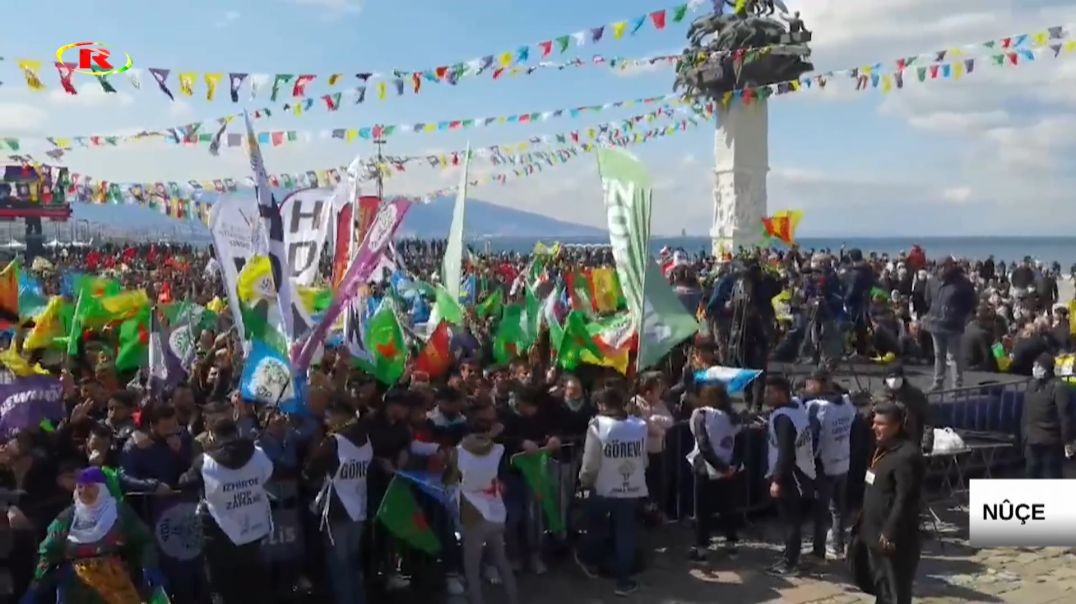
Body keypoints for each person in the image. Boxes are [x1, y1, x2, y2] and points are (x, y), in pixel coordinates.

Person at [21, 467, 164, 604]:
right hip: (75, 585)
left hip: (115, 581)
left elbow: (143, 541)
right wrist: (37, 583)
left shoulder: (119, 514)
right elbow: (49, 550)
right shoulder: (68, 517)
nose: (84, 491)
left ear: (101, 489)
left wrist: (150, 567)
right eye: (80, 487)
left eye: (90, 487)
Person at [180, 417, 274, 604]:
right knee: (254, 588)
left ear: (213, 436)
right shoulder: (258, 453)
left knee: (224, 588)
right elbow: (267, 474)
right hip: (254, 530)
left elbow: (184, 482)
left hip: (220, 535)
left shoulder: (204, 462)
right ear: (236, 432)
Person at [575, 387, 647, 596]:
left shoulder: (597, 426)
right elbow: (643, 459)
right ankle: (623, 582)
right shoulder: (638, 425)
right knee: (625, 533)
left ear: (602, 405)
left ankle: (589, 559)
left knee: (594, 523)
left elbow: (590, 463)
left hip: (604, 487)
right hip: (631, 486)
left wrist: (584, 481)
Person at [445, 404, 519, 604]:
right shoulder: (498, 449)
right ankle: (513, 599)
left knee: (472, 568)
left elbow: (450, 479)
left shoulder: (458, 452)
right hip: (495, 510)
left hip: (473, 514)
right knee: (501, 561)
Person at [304, 403, 373, 604]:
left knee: (339, 565)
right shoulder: (366, 438)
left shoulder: (334, 442)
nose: (326, 421)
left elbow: (311, 470)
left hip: (338, 508)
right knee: (353, 562)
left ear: (341, 416)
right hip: (359, 506)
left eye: (328, 417)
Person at [860, 403, 925, 604]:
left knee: (896, 591)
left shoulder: (906, 455)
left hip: (893, 539)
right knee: (882, 587)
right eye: (874, 422)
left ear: (897, 426)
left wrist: (890, 532)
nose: (874, 427)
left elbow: (905, 498)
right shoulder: (882, 448)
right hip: (873, 532)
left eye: (881, 424)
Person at [763, 376, 815, 576]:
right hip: (803, 471)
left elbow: (785, 452)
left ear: (780, 393)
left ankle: (789, 563)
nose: (765, 396)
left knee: (790, 521)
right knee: (792, 519)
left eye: (769, 392)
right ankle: (790, 556)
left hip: (790, 474)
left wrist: (776, 480)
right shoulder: (797, 408)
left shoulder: (783, 418)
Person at [685, 384, 743, 562]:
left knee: (702, 510)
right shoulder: (733, 417)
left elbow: (703, 445)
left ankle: (702, 549)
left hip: (706, 468)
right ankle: (732, 545)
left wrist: (719, 467)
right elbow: (738, 443)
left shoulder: (701, 414)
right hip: (729, 468)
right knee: (728, 508)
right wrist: (730, 467)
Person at [804, 369, 855, 560]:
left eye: (809, 382)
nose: (807, 386)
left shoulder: (817, 407)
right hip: (844, 461)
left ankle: (819, 551)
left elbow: (813, 439)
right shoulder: (847, 403)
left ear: (819, 383)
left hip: (824, 465)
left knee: (821, 510)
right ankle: (838, 546)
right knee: (838, 509)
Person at [923, 258, 977, 391]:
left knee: (953, 357)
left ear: (951, 266)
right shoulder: (932, 281)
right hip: (936, 322)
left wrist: (958, 314)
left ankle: (956, 386)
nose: (942, 269)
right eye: (940, 266)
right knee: (938, 354)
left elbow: (971, 302)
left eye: (944, 266)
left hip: (953, 324)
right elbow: (927, 298)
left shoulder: (963, 283)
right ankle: (938, 382)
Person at [1021, 353, 1073, 479]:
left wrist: (1067, 441)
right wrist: (1024, 437)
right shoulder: (1032, 385)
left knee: (1051, 475)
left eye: (1039, 366)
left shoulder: (1058, 387)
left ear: (1046, 368)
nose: (1035, 369)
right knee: (1032, 475)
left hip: (1051, 441)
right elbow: (1026, 413)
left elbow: (1065, 417)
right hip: (1033, 440)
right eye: (1034, 366)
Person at [878, 364, 934, 453]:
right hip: (886, 447)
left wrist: (926, 443)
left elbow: (927, 420)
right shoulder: (879, 397)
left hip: (910, 445)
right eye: (891, 377)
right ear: (885, 379)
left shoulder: (915, 396)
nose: (894, 380)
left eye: (897, 377)